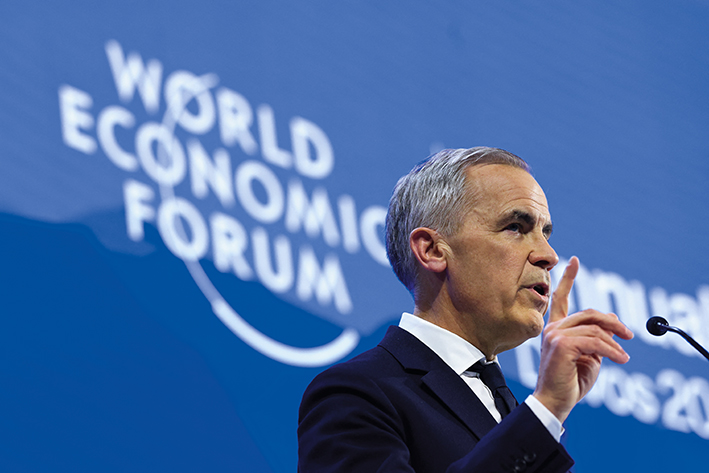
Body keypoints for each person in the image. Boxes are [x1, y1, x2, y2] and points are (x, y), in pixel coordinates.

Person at [297, 147, 633, 472]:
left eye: (545, 233)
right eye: (515, 227)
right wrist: (547, 408)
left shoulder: (511, 411)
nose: (549, 255)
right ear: (432, 250)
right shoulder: (356, 393)